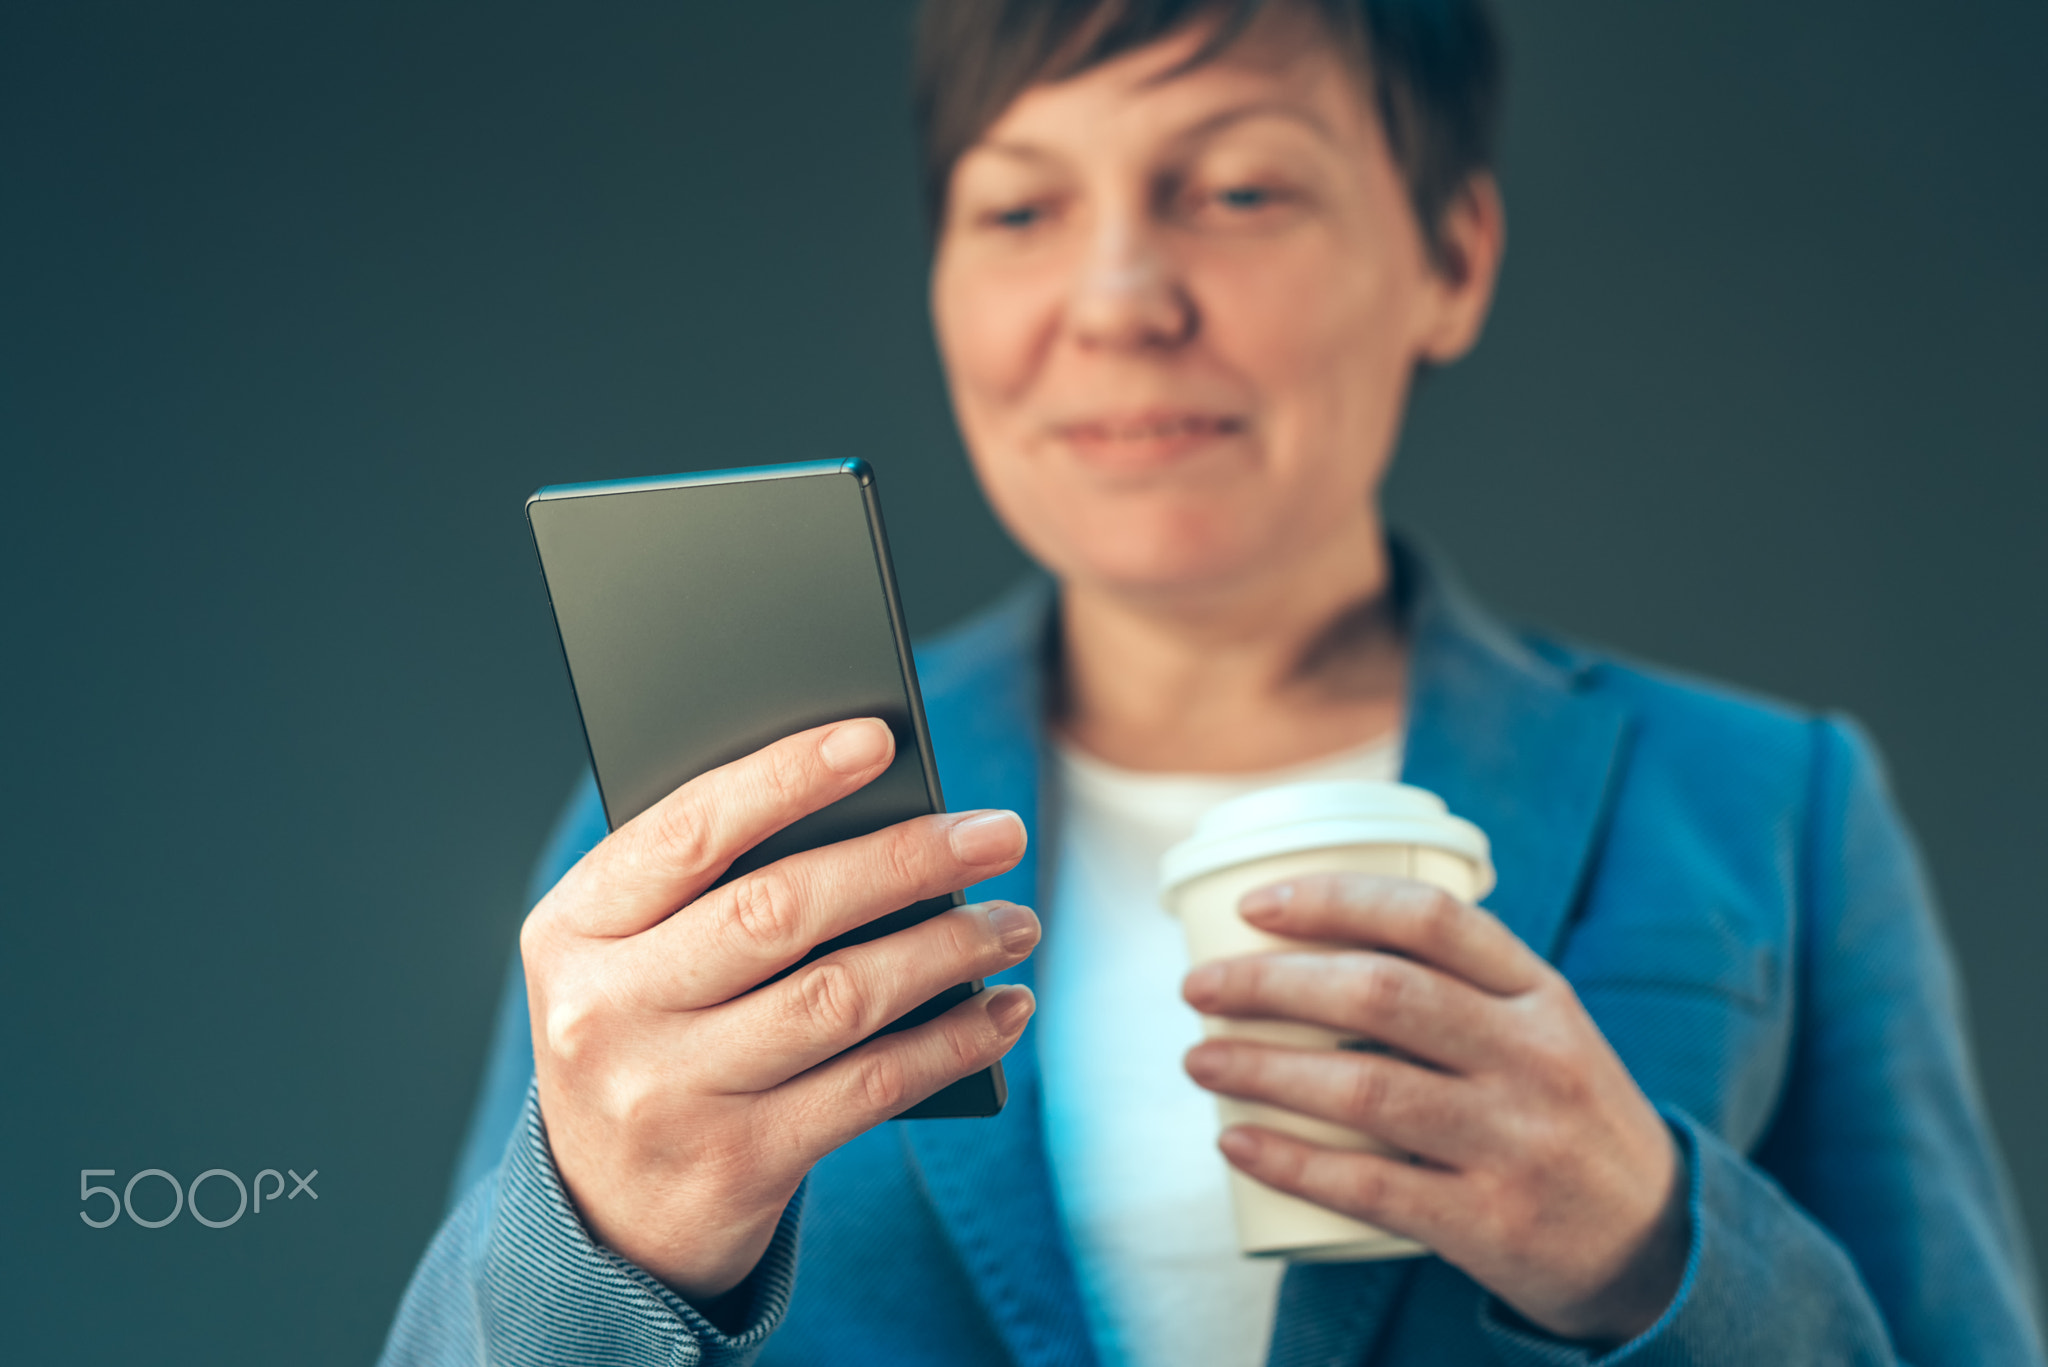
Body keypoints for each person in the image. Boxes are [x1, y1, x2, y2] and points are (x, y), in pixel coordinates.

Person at [381, 1, 2045, 1363]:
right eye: (1023, 208)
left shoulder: (1774, 806)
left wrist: (1655, 1252)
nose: (1119, 302)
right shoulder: (708, 827)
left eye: (1238, 191)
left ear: (1452, 257)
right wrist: (591, 1230)